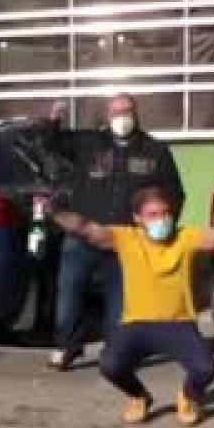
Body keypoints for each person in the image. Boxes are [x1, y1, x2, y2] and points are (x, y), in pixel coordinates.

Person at [52, 186, 214, 426]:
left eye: (166, 213)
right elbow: (86, 228)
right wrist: (55, 212)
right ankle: (139, 396)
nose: (162, 220)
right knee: (110, 366)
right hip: (136, 324)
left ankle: (188, 396)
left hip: (178, 324)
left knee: (205, 369)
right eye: (153, 214)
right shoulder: (126, 238)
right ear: (138, 218)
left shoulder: (185, 237)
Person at [46, 94, 186, 370]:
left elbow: (174, 194)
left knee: (120, 300)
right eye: (116, 112)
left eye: (127, 111)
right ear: (107, 116)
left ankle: (115, 351)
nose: (122, 117)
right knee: (70, 290)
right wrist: (53, 122)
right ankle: (66, 347)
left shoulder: (154, 151)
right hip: (84, 233)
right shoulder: (90, 144)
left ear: (136, 113)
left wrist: (159, 229)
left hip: (127, 239)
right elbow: (55, 145)